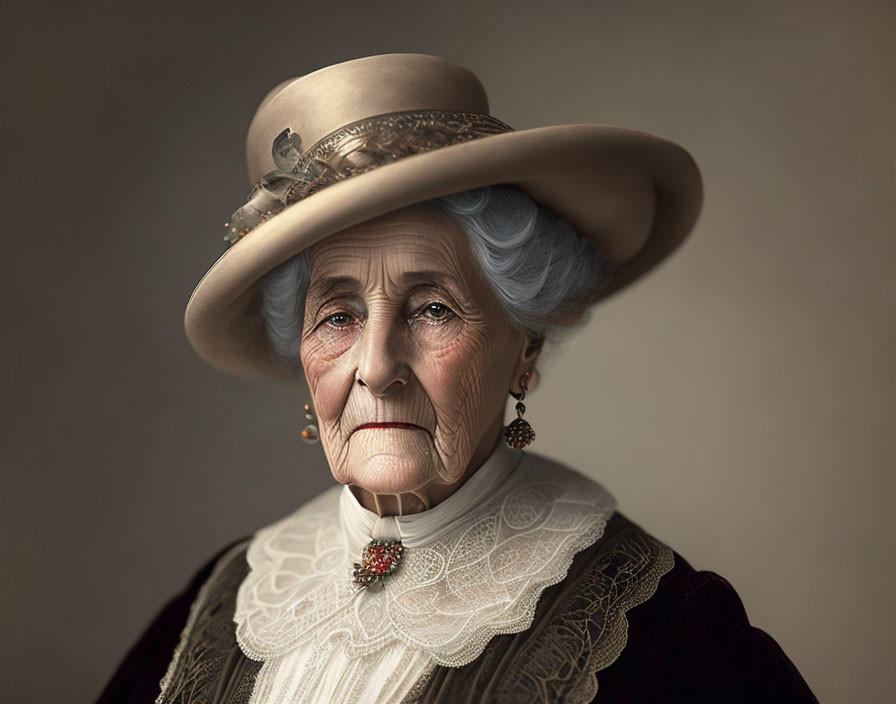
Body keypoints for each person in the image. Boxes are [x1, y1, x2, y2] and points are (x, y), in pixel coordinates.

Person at [98, 53, 817, 703]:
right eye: (339, 317)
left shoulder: (670, 635)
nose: (376, 366)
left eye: (433, 308)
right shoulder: (215, 607)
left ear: (524, 344)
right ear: (303, 353)